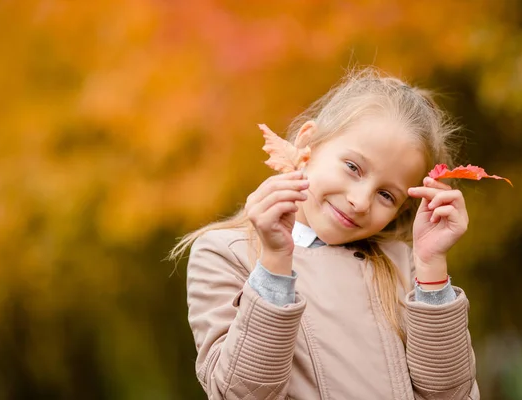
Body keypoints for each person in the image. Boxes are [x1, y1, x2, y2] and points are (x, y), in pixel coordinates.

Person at [169, 67, 480, 399]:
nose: (360, 202)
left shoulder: (404, 267)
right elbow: (239, 392)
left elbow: (451, 394)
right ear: (308, 144)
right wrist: (274, 262)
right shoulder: (224, 253)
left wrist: (432, 267)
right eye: (352, 168)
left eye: (386, 195)